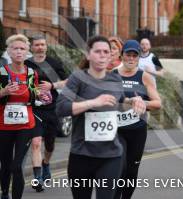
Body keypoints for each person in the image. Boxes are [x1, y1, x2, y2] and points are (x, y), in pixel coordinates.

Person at [56, 35, 146, 199]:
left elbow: (118, 101)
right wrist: (92, 103)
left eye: (106, 51)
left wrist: (133, 100)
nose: (103, 55)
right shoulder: (78, 78)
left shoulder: (114, 78)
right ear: (88, 54)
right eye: (98, 51)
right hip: (82, 154)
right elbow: (61, 108)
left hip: (111, 155)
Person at [0, 34, 51, 199]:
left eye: (22, 49)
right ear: (8, 51)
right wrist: (4, 91)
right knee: (5, 165)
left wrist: (42, 96)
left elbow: (35, 94)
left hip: (26, 125)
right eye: (15, 48)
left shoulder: (31, 73)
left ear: (27, 52)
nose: (19, 52)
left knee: (16, 167)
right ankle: (5, 193)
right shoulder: (2, 72)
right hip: (4, 126)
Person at [113, 40, 161, 199]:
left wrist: (142, 102)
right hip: (116, 129)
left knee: (131, 171)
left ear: (139, 58)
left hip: (137, 130)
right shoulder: (112, 75)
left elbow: (157, 103)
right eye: (128, 54)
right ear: (122, 55)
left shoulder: (144, 76)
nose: (131, 58)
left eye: (135, 55)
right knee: (119, 167)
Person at [24, 35, 68, 192]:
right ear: (32, 47)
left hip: (52, 109)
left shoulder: (54, 63)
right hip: (34, 109)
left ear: (46, 47)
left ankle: (46, 163)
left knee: (49, 144)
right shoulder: (26, 64)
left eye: (43, 44)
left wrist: (52, 85)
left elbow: (68, 81)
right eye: (37, 45)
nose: (40, 47)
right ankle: (37, 178)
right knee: (36, 142)